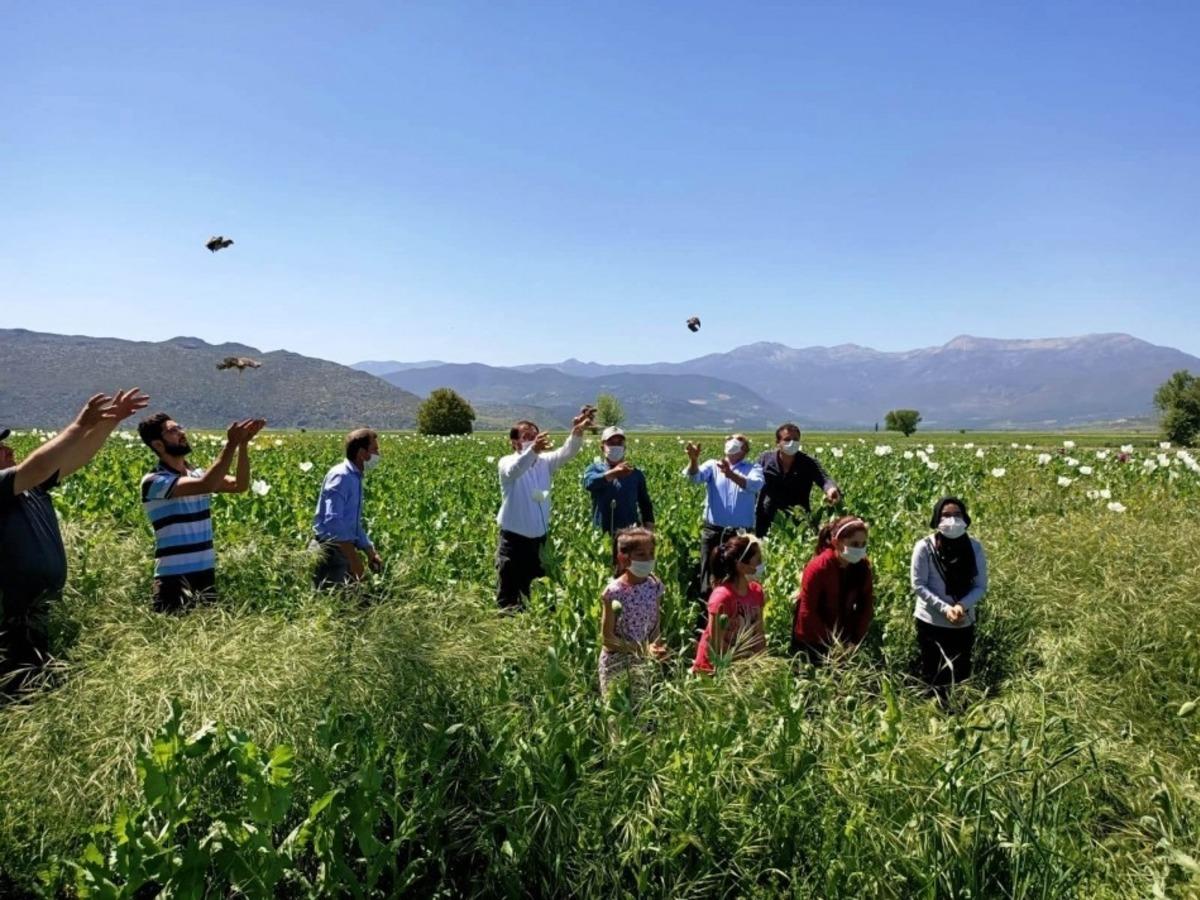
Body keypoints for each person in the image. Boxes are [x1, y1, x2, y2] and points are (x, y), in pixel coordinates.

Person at [0, 389, 149, 695]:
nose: (9, 449)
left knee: (42, 693)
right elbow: (37, 466)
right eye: (0, 447)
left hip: (44, 614)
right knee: (18, 695)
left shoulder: (32, 489)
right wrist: (80, 424)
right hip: (13, 621)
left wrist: (111, 421)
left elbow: (77, 457)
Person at [138, 413, 266, 613]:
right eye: (172, 431)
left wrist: (243, 445)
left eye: (179, 427)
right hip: (174, 580)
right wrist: (230, 444)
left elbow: (239, 485)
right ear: (158, 445)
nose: (181, 433)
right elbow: (206, 484)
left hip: (205, 574)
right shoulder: (154, 481)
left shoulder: (196, 474)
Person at [495, 407, 593, 609]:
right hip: (513, 541)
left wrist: (577, 431)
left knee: (538, 592)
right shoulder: (506, 462)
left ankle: (535, 629)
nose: (532, 438)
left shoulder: (544, 462)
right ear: (514, 443)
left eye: (534, 435)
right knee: (509, 593)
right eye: (526, 436)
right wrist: (533, 451)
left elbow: (567, 452)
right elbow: (516, 470)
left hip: (539, 542)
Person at [911, 497, 988, 696]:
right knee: (933, 672)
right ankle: (932, 716)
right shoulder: (925, 547)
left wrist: (961, 606)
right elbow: (918, 584)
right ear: (937, 519)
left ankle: (958, 715)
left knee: (960, 672)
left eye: (957, 515)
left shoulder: (975, 547)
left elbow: (980, 586)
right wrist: (946, 609)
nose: (952, 520)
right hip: (931, 621)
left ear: (965, 518)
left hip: (963, 621)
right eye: (946, 515)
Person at [683, 434, 764, 611]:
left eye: (739, 440)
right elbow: (693, 478)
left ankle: (738, 619)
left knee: (740, 578)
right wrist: (694, 460)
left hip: (741, 535)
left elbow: (755, 485)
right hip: (713, 532)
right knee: (708, 577)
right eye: (731, 439)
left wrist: (730, 474)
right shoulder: (712, 465)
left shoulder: (753, 467)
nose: (733, 442)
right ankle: (707, 621)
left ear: (745, 450)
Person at [599, 526, 669, 702]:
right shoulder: (614, 592)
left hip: (644, 662)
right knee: (618, 717)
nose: (648, 559)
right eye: (641, 555)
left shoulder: (654, 585)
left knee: (641, 715)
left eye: (651, 553)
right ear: (623, 559)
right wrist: (642, 649)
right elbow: (607, 639)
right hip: (616, 664)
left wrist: (656, 646)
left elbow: (655, 625)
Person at [793, 515, 874, 663]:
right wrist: (834, 644)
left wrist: (854, 641)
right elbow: (807, 612)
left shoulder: (862, 567)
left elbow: (866, 605)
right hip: (813, 638)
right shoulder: (818, 567)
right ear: (836, 543)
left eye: (863, 544)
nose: (860, 549)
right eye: (854, 544)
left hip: (845, 638)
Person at [311, 428, 384, 588]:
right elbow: (333, 522)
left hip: (342, 549)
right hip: (330, 553)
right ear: (361, 453)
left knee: (353, 605)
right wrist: (354, 560)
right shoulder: (341, 476)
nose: (378, 455)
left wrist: (370, 552)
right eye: (375, 450)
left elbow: (352, 523)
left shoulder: (354, 477)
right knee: (333, 607)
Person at [692, 533, 767, 674]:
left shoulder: (756, 591)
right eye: (758, 560)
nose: (761, 565)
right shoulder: (722, 597)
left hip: (743, 664)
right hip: (713, 669)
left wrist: (763, 665)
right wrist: (745, 661)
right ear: (741, 566)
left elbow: (759, 634)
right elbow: (716, 644)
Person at [754, 423, 840, 537]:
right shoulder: (765, 459)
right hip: (767, 519)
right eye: (787, 439)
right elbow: (752, 482)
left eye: (795, 439)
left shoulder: (808, 462)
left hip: (799, 520)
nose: (792, 443)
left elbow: (824, 479)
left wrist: (831, 489)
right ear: (778, 443)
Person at [582, 426, 654, 560]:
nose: (615, 447)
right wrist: (612, 474)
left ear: (624, 448)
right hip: (602, 535)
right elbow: (589, 484)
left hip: (630, 535)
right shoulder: (594, 469)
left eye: (619, 443)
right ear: (602, 447)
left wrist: (649, 530)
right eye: (611, 443)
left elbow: (645, 503)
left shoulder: (635, 474)